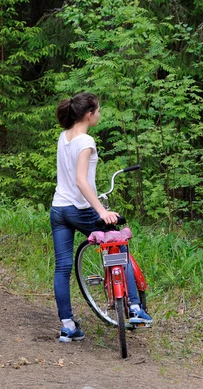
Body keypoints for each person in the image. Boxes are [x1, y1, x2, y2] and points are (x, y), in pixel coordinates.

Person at [50, 92, 152, 343]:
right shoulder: (86, 141)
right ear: (89, 114)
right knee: (117, 247)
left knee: (62, 267)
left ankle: (67, 326)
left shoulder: (64, 137)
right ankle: (136, 308)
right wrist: (102, 211)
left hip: (58, 208)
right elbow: (81, 181)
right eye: (98, 110)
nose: (100, 114)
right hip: (80, 209)